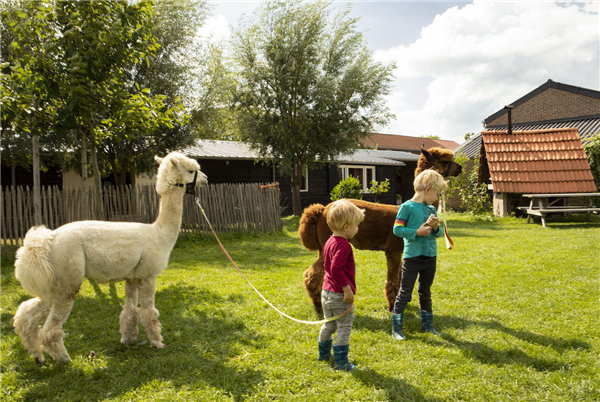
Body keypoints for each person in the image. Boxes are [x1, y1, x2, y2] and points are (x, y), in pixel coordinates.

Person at [391, 170, 448, 340]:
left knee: (425, 292)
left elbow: (437, 235)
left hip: (430, 257)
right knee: (405, 293)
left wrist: (435, 227)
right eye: (437, 193)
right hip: (412, 258)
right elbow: (397, 229)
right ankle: (396, 329)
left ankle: (428, 326)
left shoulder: (431, 209)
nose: (437, 198)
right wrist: (417, 232)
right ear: (428, 189)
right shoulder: (406, 207)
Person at [317, 199, 365, 371]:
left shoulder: (329, 241)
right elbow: (335, 268)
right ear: (346, 227)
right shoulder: (344, 245)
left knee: (329, 324)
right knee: (344, 326)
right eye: (356, 225)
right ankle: (341, 363)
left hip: (326, 292)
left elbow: (329, 266)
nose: (357, 229)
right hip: (339, 294)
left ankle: (323, 355)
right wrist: (347, 289)